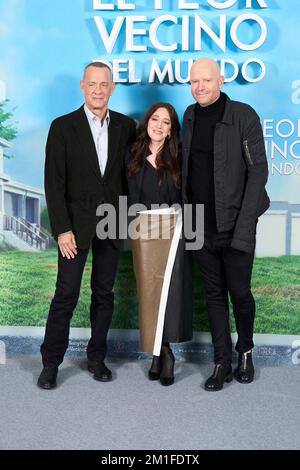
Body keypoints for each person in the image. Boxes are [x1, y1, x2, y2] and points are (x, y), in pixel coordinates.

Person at [37, 61, 136, 389]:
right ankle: (51, 362)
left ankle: (97, 358)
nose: (97, 90)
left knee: (104, 294)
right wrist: (62, 229)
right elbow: (54, 183)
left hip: (111, 223)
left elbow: (128, 177)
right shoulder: (62, 127)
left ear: (112, 88)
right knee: (65, 294)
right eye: (92, 84)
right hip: (74, 229)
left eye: (103, 84)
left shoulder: (126, 126)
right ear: (83, 86)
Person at [182, 58, 270, 391]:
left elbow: (258, 171)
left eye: (206, 80)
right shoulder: (189, 116)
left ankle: (245, 350)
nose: (199, 87)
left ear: (221, 80)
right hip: (201, 226)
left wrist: (244, 227)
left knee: (240, 293)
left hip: (236, 224)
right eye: (194, 82)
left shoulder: (243, 115)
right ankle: (221, 362)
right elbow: (189, 172)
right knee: (214, 296)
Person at [126, 103, 193, 386]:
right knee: (150, 293)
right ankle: (158, 352)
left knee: (170, 293)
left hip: (173, 229)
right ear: (147, 122)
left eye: (166, 122)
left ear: (170, 130)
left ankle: (165, 354)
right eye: (155, 119)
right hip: (143, 232)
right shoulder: (132, 154)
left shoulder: (178, 157)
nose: (159, 125)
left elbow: (184, 196)